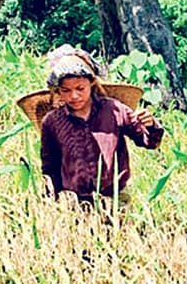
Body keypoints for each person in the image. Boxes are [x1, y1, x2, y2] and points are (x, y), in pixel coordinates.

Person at [39, 45, 163, 204]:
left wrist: (150, 125)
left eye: (80, 88)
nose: (74, 96)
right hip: (73, 203)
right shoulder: (52, 122)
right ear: (58, 91)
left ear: (91, 83)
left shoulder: (114, 110)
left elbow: (149, 142)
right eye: (66, 90)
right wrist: (51, 199)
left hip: (115, 199)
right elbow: (49, 166)